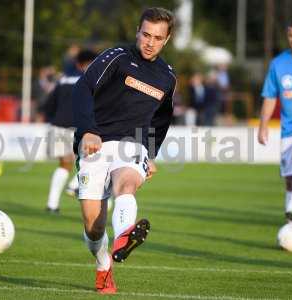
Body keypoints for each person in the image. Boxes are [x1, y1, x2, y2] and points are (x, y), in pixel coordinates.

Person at [72, 7, 176, 294]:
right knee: (93, 227)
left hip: (134, 143)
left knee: (126, 184)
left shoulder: (168, 77)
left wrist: (151, 154)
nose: (150, 42)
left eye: (157, 37)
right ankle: (104, 262)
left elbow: (162, 119)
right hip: (96, 141)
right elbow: (82, 89)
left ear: (166, 40)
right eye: (146, 34)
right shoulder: (116, 56)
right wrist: (88, 130)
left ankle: (124, 237)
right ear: (137, 32)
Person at [258, 19, 292, 234]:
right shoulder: (279, 64)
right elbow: (270, 96)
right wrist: (263, 125)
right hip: (289, 128)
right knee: (290, 179)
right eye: (291, 36)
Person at [43, 49, 97, 213]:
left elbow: (49, 104)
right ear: (86, 63)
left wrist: (53, 119)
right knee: (95, 157)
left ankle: (52, 205)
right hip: (78, 126)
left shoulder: (63, 78)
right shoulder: (89, 78)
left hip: (58, 125)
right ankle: (74, 185)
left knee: (64, 164)